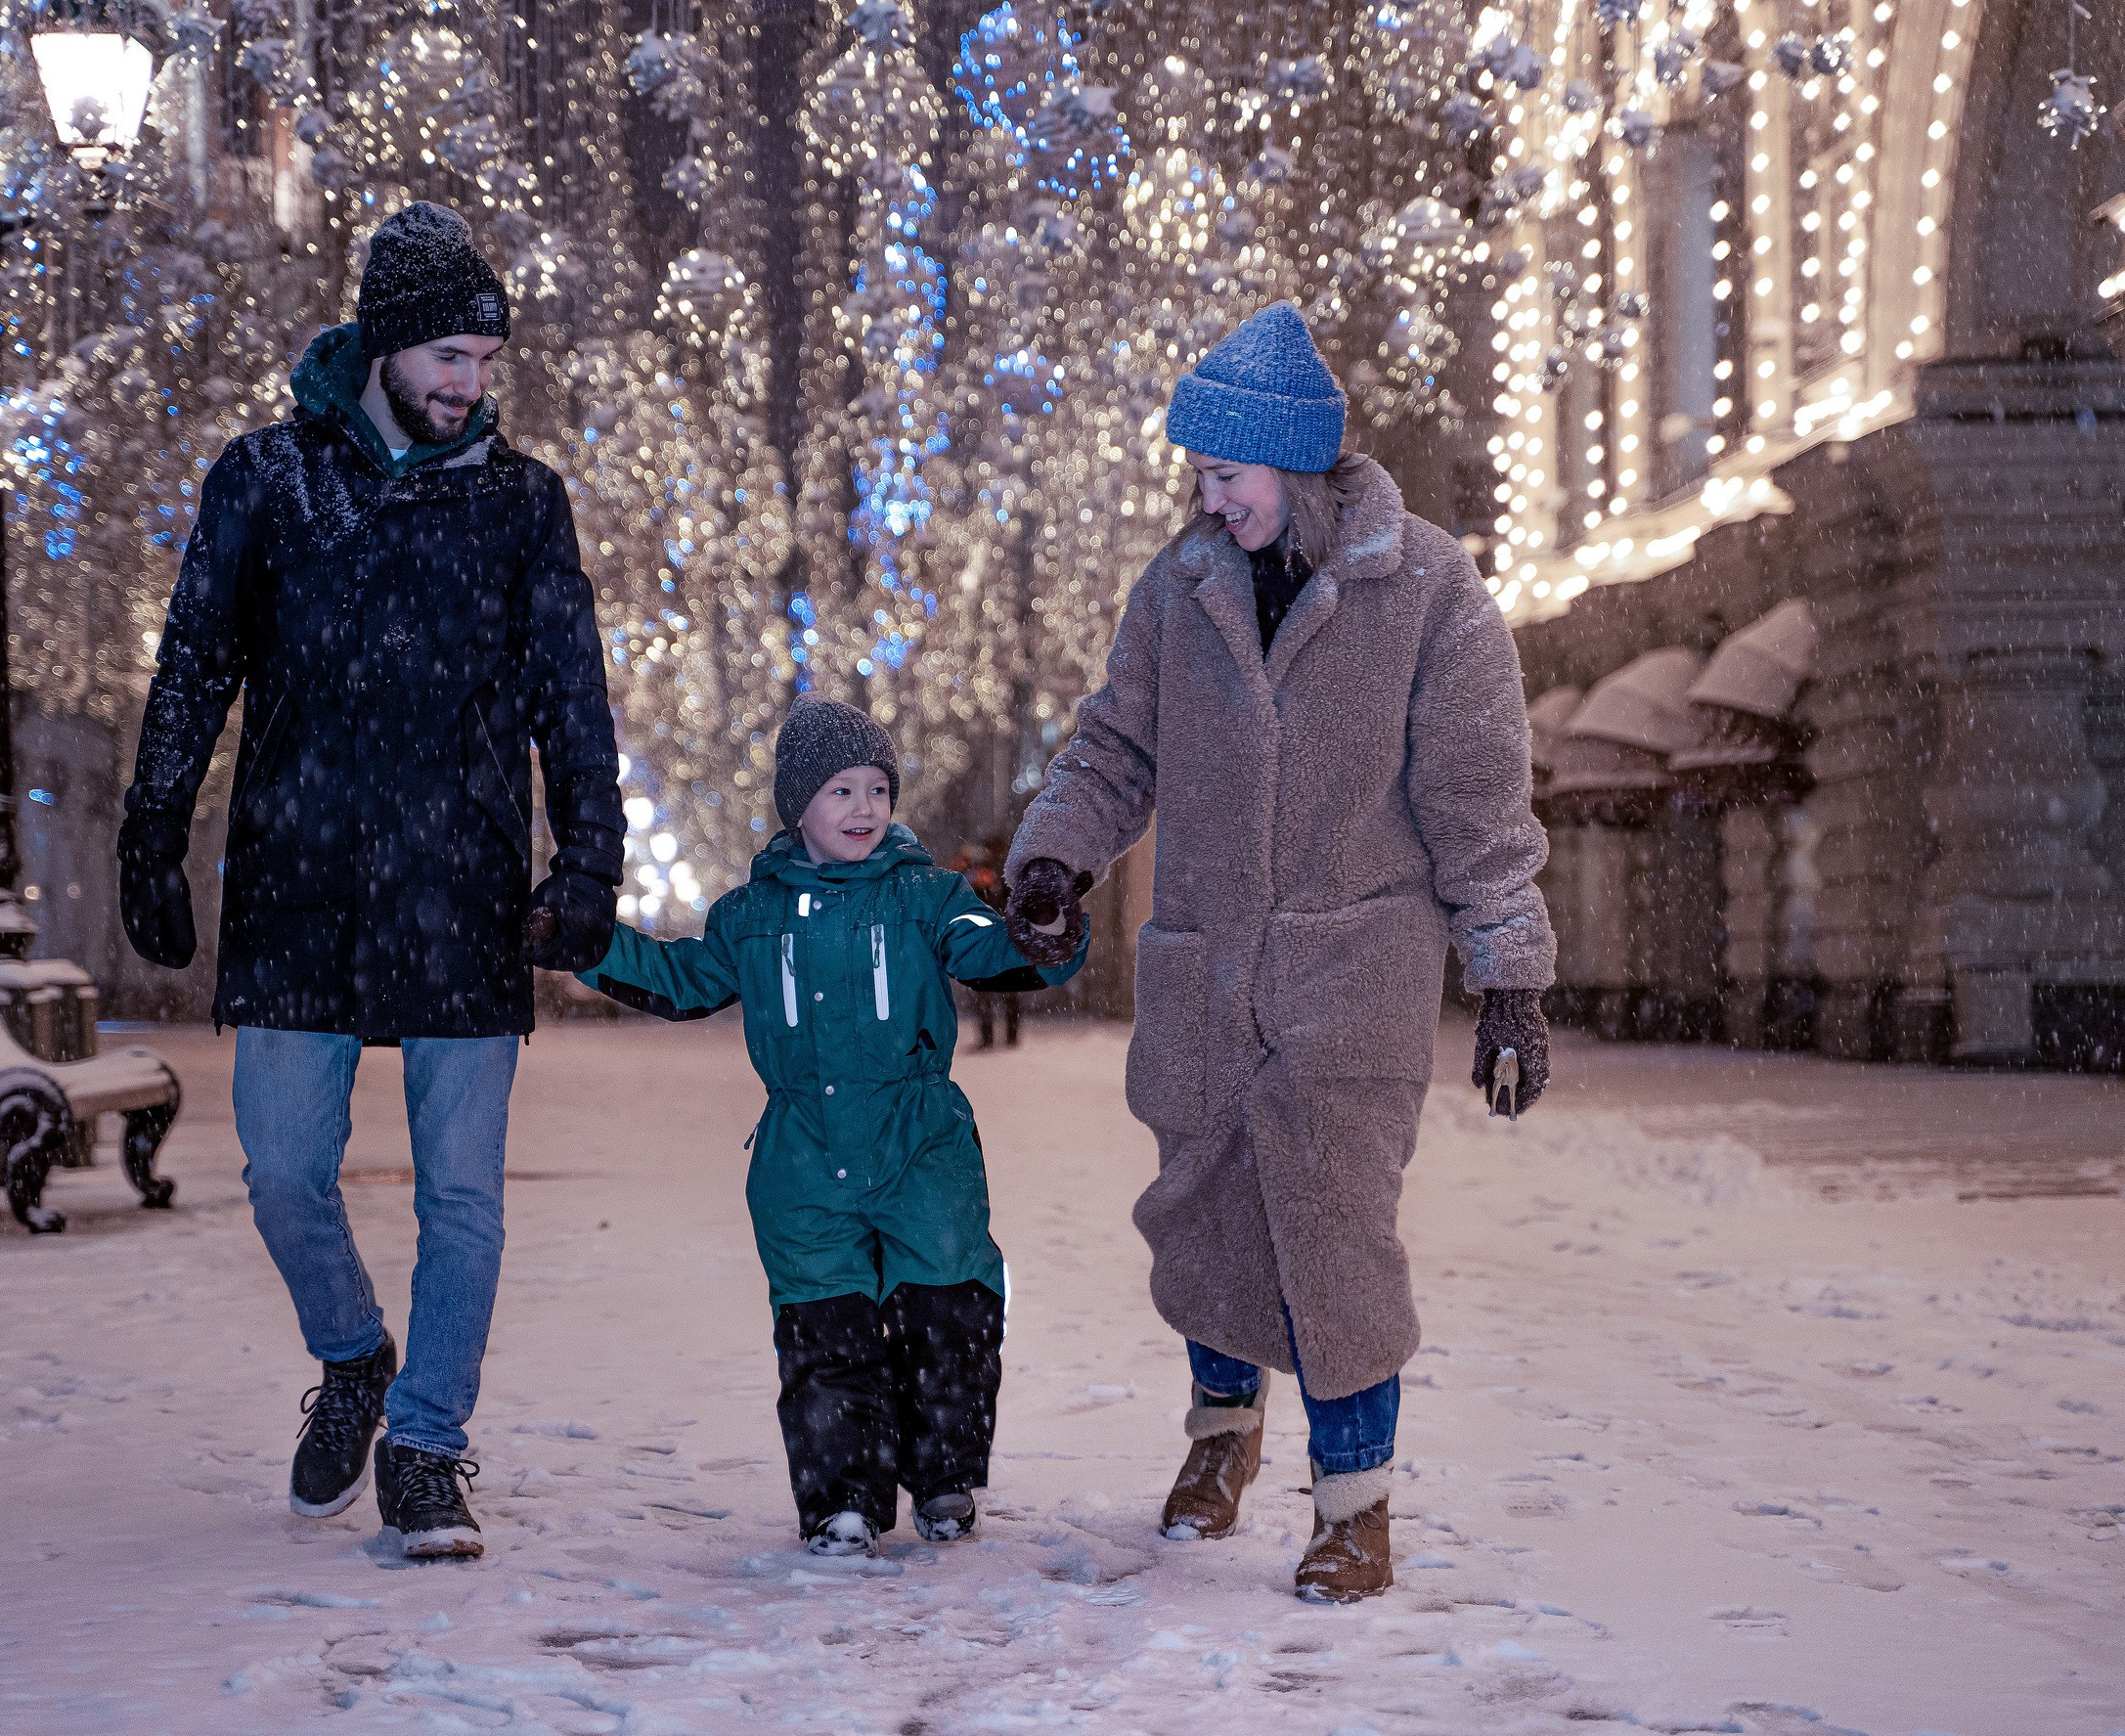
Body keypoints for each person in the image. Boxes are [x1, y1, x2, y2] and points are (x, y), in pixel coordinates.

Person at [1000, 301, 1555, 1602]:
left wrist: (1510, 977)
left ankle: (1354, 1505)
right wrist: (1053, 856)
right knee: (1206, 1220)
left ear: (1294, 463)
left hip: (1350, 979)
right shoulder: (1177, 588)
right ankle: (1220, 1436)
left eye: (1226, 474)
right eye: (1198, 476)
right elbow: (1113, 748)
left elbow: (1478, 798)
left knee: (1336, 1237)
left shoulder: (1427, 589)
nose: (1208, 499)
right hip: (1206, 970)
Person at [116, 201, 625, 1561]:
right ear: (385, 345)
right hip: (299, 878)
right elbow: (195, 661)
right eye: (448, 355)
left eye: (485, 359)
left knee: (463, 1196)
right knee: (284, 1171)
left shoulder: (521, 502)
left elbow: (571, 697)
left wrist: (590, 859)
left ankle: (427, 1442)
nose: (469, 384)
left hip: (462, 883)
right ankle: (353, 1355)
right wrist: (151, 828)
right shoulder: (267, 479)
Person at [574, 696, 1086, 1556]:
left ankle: (944, 1471)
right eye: (841, 790)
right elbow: (680, 977)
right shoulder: (751, 916)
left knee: (949, 1306)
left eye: (877, 789)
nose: (863, 808)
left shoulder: (929, 897)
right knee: (823, 1327)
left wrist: (1044, 926)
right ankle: (842, 1495)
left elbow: (989, 945)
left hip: (921, 1144)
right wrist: (590, 944)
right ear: (797, 806)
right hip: (803, 1157)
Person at [947, 836, 1022, 1049]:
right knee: (988, 989)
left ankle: (1005, 1036)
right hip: (990, 937)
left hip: (994, 937)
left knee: (996, 989)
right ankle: (997, 1036)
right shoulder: (977, 876)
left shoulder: (999, 875)